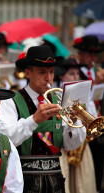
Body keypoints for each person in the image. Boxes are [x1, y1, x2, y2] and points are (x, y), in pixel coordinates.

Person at [0, 45, 86, 193]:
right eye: (42, 72)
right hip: (22, 179)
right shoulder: (10, 101)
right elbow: (6, 140)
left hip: (55, 177)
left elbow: (71, 145)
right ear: (28, 72)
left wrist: (74, 123)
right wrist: (34, 120)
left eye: (51, 72)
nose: (48, 78)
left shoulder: (59, 99)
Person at [54, 57, 97, 193]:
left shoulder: (84, 94)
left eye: (77, 73)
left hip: (82, 146)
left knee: (83, 183)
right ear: (61, 76)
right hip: (64, 147)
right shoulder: (56, 94)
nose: (76, 76)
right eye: (71, 74)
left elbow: (93, 117)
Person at [74, 35, 104, 192]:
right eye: (89, 54)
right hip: (83, 124)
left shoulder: (96, 71)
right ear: (81, 54)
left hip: (98, 121)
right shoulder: (75, 71)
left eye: (95, 55)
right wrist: (96, 85)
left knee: (99, 160)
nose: (93, 58)